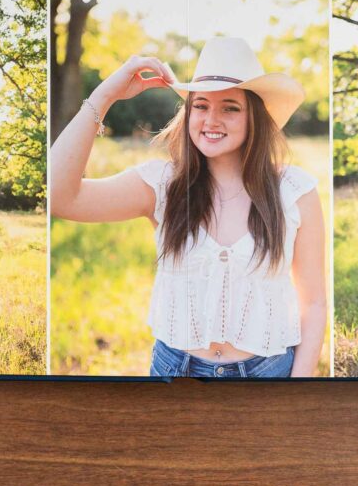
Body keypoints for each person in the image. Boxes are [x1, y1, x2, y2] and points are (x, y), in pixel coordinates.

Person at [51, 36, 326, 378]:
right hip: (175, 372)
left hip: (267, 373)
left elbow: (312, 304)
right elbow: (61, 196)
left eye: (230, 107)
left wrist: (297, 393)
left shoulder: (295, 192)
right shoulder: (162, 185)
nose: (212, 119)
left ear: (254, 116)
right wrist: (104, 95)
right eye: (200, 105)